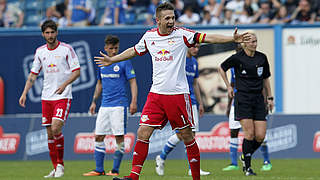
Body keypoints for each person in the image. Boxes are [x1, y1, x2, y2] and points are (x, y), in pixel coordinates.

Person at [94, 2, 250, 180]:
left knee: (186, 136)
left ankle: (196, 177)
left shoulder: (182, 34)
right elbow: (133, 50)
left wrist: (231, 38)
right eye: (167, 18)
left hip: (177, 95)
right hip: (156, 95)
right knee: (142, 132)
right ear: (157, 20)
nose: (171, 21)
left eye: (173, 17)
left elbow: (207, 37)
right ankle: (133, 176)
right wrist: (113, 60)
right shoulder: (149, 36)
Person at [19, 20, 80, 178]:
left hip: (62, 96)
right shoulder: (40, 52)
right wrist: (25, 93)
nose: (50, 35)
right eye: (47, 33)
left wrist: (64, 85)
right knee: (49, 134)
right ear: (43, 34)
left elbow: (77, 71)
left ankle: (60, 165)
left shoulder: (67, 49)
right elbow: (33, 74)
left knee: (55, 128)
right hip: (46, 97)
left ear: (57, 32)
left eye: (52, 32)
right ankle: (55, 167)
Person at [219, 32, 274, 176]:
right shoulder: (237, 58)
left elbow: (266, 79)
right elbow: (221, 68)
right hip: (243, 99)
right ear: (244, 43)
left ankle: (245, 155)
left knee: (260, 136)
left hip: (258, 100)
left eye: (256, 41)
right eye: (251, 42)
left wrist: (270, 98)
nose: (254, 44)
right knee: (249, 134)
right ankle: (247, 167)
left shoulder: (262, 58)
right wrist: (229, 87)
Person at [83, 35, 138, 176]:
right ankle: (99, 169)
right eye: (111, 48)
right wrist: (94, 101)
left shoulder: (124, 62)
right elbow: (99, 83)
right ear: (105, 48)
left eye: (116, 48)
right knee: (98, 136)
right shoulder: (102, 64)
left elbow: (132, 82)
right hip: (104, 105)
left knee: (119, 137)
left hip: (119, 105)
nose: (114, 51)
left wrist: (134, 101)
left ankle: (115, 170)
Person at [155, 44, 210, 177]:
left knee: (190, 135)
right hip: (181, 100)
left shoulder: (195, 62)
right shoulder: (179, 60)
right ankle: (162, 157)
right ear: (187, 47)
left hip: (193, 103)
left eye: (198, 47)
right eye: (194, 47)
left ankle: (189, 167)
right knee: (184, 134)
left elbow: (195, 83)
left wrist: (201, 103)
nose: (196, 49)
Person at [222, 67, 272, 171]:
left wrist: (266, 102)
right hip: (237, 103)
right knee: (234, 132)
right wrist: (228, 106)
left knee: (258, 133)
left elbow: (263, 85)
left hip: (254, 103)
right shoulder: (233, 67)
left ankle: (266, 161)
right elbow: (232, 85)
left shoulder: (255, 64)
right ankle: (234, 163)